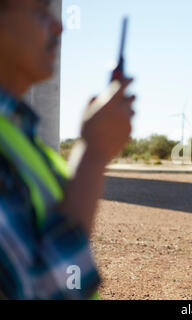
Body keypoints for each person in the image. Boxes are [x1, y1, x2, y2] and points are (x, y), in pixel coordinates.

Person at [0, 0, 135, 299]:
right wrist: (92, 155)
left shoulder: (19, 137)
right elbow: (41, 293)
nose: (59, 26)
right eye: (38, 11)